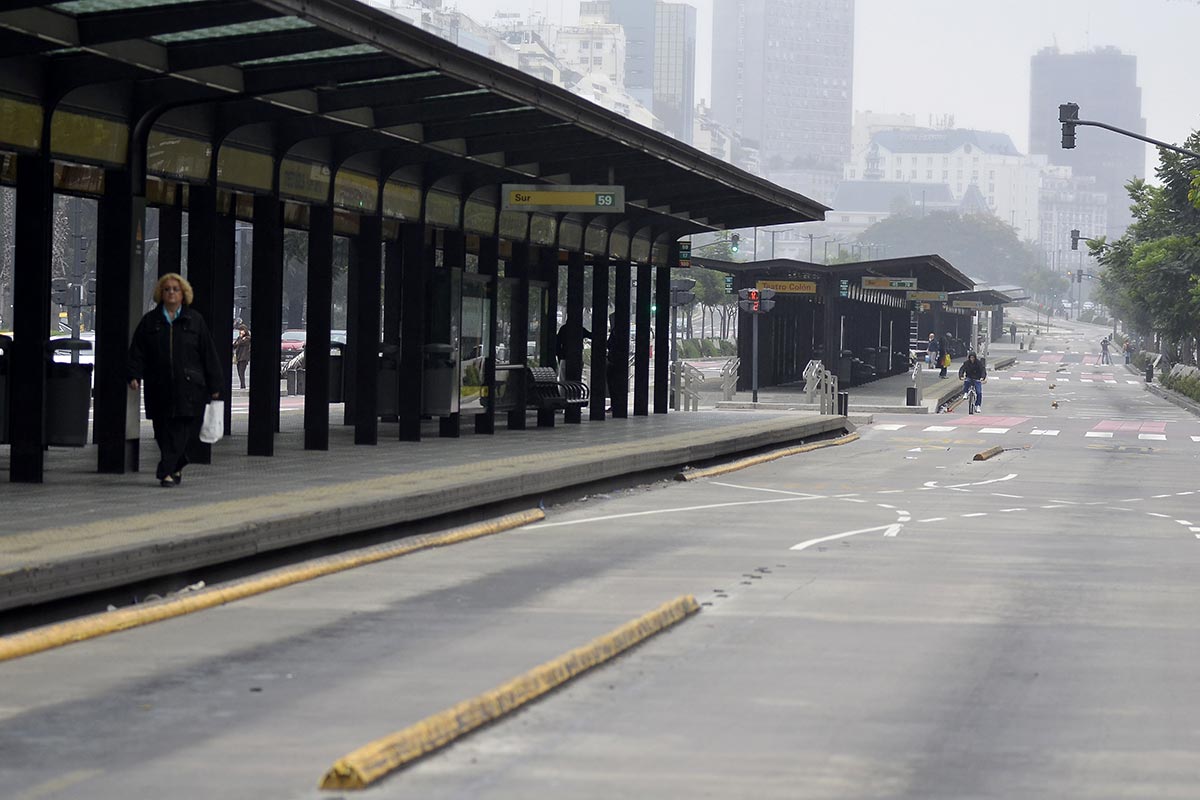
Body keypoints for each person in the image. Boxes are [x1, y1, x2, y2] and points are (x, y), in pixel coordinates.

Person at [128, 273, 223, 487]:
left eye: (175, 289)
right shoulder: (150, 322)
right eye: (167, 289)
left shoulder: (195, 321)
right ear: (161, 294)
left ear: (183, 294)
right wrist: (134, 374)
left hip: (189, 387)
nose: (171, 292)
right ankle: (177, 463)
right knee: (161, 431)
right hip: (158, 386)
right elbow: (137, 350)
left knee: (180, 431)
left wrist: (215, 385)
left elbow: (208, 353)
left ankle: (166, 472)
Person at [555, 315, 591, 380]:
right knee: (576, 380)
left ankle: (564, 390)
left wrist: (560, 357)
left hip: (564, 357)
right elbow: (591, 335)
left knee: (563, 381)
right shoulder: (579, 329)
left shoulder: (563, 329)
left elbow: (557, 344)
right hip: (577, 357)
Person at [233, 324, 252, 389]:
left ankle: (243, 386)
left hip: (244, 357)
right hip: (238, 357)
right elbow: (235, 345)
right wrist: (240, 339)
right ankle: (242, 385)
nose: (241, 332)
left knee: (241, 372)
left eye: (242, 330)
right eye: (240, 330)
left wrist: (241, 339)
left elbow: (241, 343)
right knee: (239, 372)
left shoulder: (248, 338)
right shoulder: (239, 338)